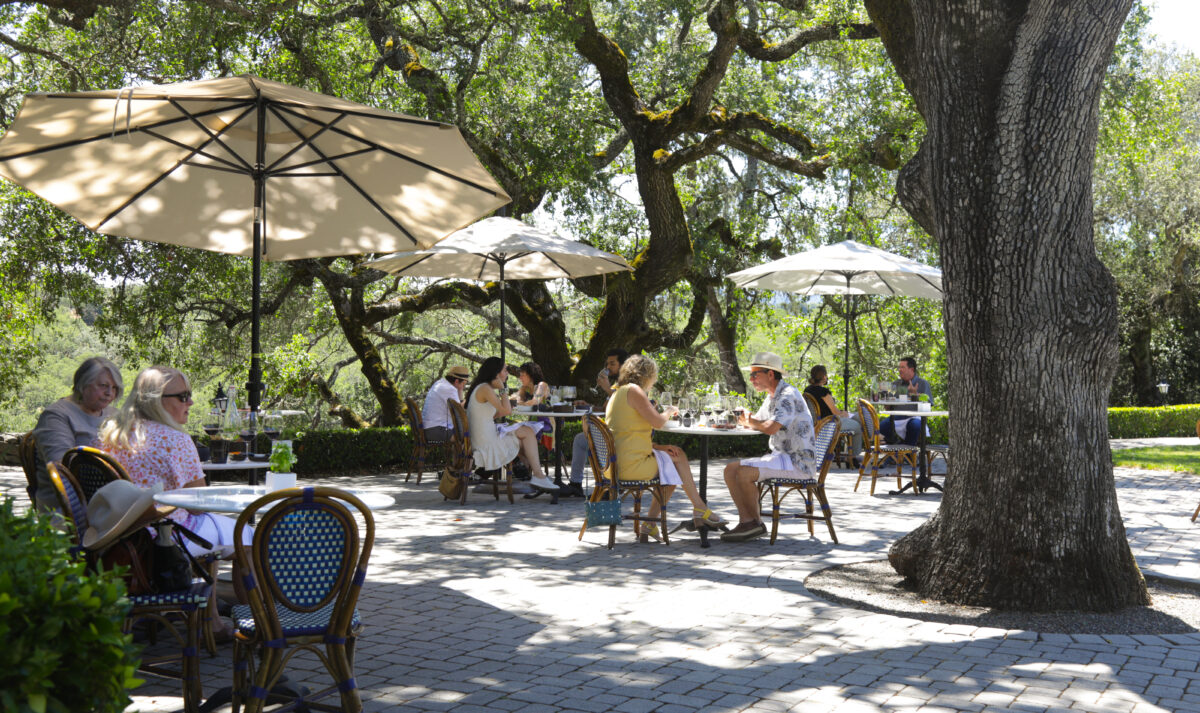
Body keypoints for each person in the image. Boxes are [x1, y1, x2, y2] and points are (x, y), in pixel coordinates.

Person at [97, 366, 251, 556]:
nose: (191, 402)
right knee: (249, 536)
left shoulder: (108, 434)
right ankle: (246, 585)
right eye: (183, 396)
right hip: (167, 536)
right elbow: (198, 507)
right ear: (156, 401)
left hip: (113, 536)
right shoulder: (175, 439)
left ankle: (201, 585)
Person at [606, 355, 724, 539]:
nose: (654, 380)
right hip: (630, 467)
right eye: (654, 375)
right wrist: (670, 410)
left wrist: (659, 447)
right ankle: (699, 508)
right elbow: (658, 422)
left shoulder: (618, 393)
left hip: (614, 465)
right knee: (677, 459)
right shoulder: (634, 391)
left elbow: (628, 433)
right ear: (647, 375)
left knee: (673, 458)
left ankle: (651, 524)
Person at [721, 352, 817, 542]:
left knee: (744, 473)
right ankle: (747, 521)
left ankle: (755, 524)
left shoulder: (788, 395)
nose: (751, 378)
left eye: (755, 374)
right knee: (730, 470)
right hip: (781, 458)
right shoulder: (772, 396)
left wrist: (752, 421)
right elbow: (758, 422)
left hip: (798, 463)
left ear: (771, 374)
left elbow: (770, 427)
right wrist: (745, 419)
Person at [31, 357, 124, 512]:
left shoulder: (114, 414)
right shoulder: (56, 416)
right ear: (82, 385)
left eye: (114, 388)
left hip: (108, 498)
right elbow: (63, 469)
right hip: (68, 508)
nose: (109, 393)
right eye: (103, 386)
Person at [464, 357, 556, 491]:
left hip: (484, 439)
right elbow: (507, 410)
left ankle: (536, 475)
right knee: (527, 433)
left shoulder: (483, 388)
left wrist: (503, 399)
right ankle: (537, 476)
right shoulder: (485, 389)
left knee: (526, 431)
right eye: (505, 370)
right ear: (496, 373)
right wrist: (502, 388)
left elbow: (498, 413)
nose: (508, 373)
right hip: (487, 445)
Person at [563, 348, 631, 497]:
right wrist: (587, 405)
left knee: (590, 438)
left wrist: (607, 388)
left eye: (612, 364)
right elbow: (604, 409)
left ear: (623, 365)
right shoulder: (616, 386)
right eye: (607, 364)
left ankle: (611, 485)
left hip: (623, 434)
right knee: (580, 439)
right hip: (610, 431)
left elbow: (624, 403)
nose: (607, 367)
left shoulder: (630, 385)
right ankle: (575, 484)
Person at [803, 365, 863, 465]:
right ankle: (852, 457)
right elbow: (835, 412)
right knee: (857, 426)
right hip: (829, 423)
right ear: (824, 377)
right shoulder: (824, 392)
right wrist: (843, 413)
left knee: (858, 417)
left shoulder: (807, 390)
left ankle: (877, 439)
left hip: (816, 422)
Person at [878, 356, 933, 446]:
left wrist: (915, 395)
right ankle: (898, 446)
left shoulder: (923, 383)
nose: (900, 370)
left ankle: (908, 455)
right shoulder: (896, 384)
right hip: (897, 418)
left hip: (915, 417)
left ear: (911, 369)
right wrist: (884, 398)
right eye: (899, 367)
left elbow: (929, 406)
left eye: (902, 367)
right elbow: (888, 408)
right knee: (881, 427)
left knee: (914, 426)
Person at [423, 365, 470, 443]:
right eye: (463, 384)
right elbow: (460, 412)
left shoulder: (441, 383)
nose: (463, 387)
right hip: (436, 430)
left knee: (466, 432)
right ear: (456, 381)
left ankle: (460, 455)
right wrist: (470, 399)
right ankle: (464, 455)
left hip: (429, 429)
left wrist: (460, 389)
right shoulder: (449, 389)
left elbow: (459, 405)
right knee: (471, 435)